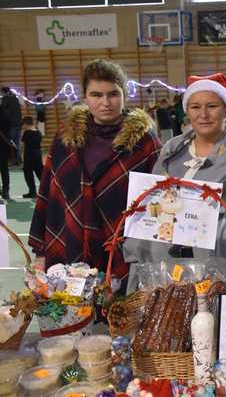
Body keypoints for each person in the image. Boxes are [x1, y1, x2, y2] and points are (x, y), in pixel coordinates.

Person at [124, 73, 226, 292]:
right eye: (195, 107)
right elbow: (150, 207)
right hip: (166, 271)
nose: (203, 114)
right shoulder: (171, 151)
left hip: (218, 271)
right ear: (187, 110)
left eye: (212, 106)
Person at [29, 59, 161, 282]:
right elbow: (48, 194)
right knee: (74, 313)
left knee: (118, 313)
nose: (106, 102)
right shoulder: (66, 138)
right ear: (85, 97)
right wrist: (41, 251)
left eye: (113, 94)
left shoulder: (144, 141)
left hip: (122, 247)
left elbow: (160, 198)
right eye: (96, 95)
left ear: (124, 94)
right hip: (70, 242)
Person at [20, 116, 43, 198]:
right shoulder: (39, 133)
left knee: (28, 174)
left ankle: (32, 192)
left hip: (29, 156)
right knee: (40, 174)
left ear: (26, 124)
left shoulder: (27, 133)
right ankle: (47, 190)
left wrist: (22, 157)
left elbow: (23, 145)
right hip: (38, 155)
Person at [1, 87, 22, 165]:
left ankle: (11, 160)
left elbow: (4, 113)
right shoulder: (15, 98)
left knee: (10, 142)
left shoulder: (5, 99)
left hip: (11, 125)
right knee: (17, 143)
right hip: (18, 123)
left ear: (3, 92)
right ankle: (18, 159)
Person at [0, 103, 11, 200]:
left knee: (4, 170)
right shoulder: (6, 113)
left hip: (2, 144)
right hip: (4, 144)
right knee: (4, 170)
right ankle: (5, 191)